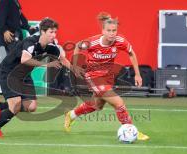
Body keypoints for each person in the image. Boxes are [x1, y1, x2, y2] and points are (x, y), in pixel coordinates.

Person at [64, 12, 149, 141]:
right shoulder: (92, 42)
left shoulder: (120, 41)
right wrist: (75, 65)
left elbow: (131, 53)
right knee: (119, 103)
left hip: (107, 76)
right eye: (108, 30)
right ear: (103, 30)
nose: (112, 33)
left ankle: (71, 115)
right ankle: (131, 131)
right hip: (93, 76)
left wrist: (137, 74)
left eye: (114, 30)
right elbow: (77, 46)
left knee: (97, 105)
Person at [0, 17, 79, 137]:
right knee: (15, 106)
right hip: (10, 72)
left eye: (55, 32)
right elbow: (25, 59)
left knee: (31, 107)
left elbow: (62, 59)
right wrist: (46, 64)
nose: (54, 35)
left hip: (25, 74)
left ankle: (1, 106)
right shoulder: (30, 42)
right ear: (43, 32)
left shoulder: (51, 46)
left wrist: (75, 70)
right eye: (51, 32)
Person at [0, 0, 37, 97]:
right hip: (11, 36)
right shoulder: (6, 1)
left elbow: (19, 19)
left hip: (15, 36)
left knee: (12, 63)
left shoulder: (15, 2)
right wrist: (4, 30)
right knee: (14, 62)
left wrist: (29, 28)